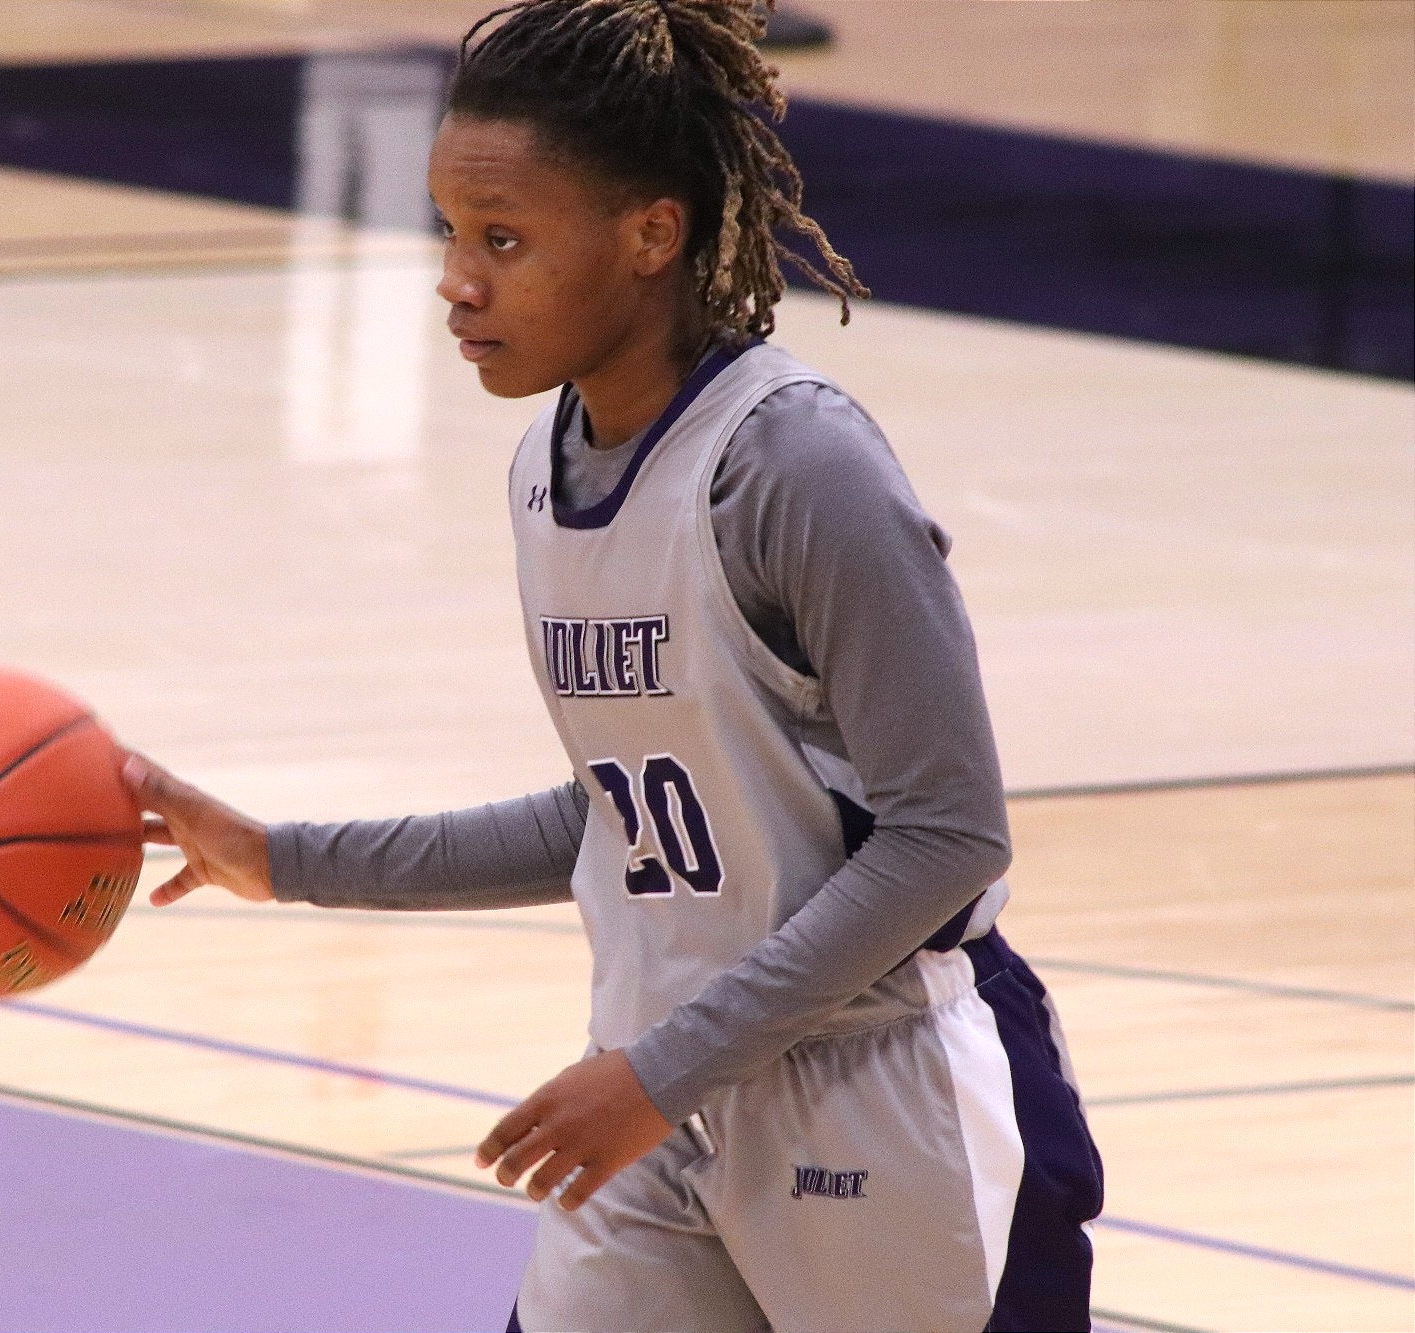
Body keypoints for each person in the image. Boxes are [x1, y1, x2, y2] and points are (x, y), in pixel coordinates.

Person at [121, 1, 1104, 1328]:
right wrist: (283, 859)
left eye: (506, 240)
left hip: (891, 1085)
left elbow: (946, 834)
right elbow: (624, 814)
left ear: (654, 232)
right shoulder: (546, 465)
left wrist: (661, 1069)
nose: (459, 282)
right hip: (670, 1089)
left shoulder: (797, 468)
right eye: (452, 235)